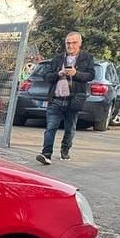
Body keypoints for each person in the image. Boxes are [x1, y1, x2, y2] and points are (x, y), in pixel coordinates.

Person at [36, 32, 95, 165]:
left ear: (80, 43)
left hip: (73, 100)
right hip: (56, 99)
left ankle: (65, 150)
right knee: (51, 127)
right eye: (68, 43)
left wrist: (76, 73)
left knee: (70, 129)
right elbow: (46, 76)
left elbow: (91, 75)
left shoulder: (87, 58)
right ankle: (46, 154)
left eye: (74, 43)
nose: (70, 45)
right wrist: (58, 74)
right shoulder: (58, 58)